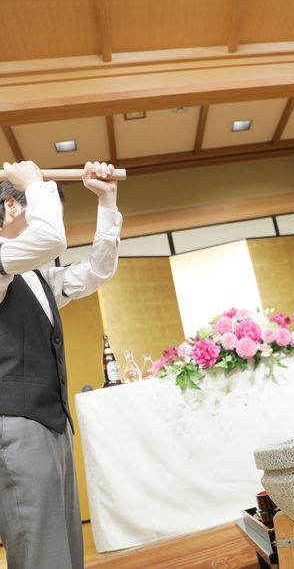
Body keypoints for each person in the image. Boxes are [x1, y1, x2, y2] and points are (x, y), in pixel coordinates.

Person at [0, 160, 123, 569]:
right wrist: (34, 182)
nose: (51, 218)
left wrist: (107, 202)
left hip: (51, 421)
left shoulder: (34, 275)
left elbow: (96, 271)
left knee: (65, 546)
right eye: (39, 206)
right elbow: (51, 240)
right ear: (12, 207)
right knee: (40, 550)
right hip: (16, 425)